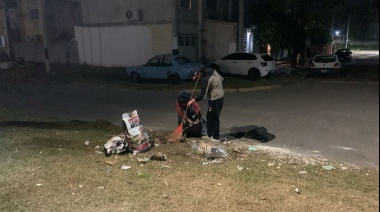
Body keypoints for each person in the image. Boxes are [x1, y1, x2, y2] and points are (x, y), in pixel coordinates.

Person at [187, 67, 224, 142]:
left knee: (214, 117)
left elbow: (202, 96)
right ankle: (210, 135)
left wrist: (192, 101)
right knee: (209, 116)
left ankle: (216, 137)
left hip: (216, 98)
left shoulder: (205, 79)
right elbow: (221, 78)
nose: (194, 79)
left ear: (198, 73)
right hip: (215, 96)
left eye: (194, 76)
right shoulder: (209, 70)